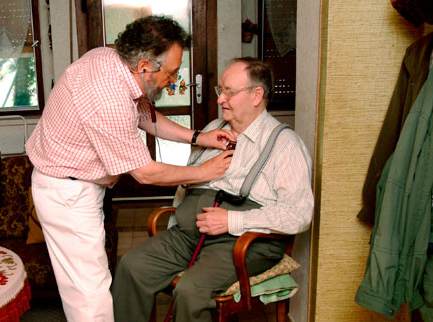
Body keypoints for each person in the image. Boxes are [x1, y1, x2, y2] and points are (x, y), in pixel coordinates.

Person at [25, 16, 236, 322]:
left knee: (90, 286)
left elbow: (143, 116)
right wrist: (206, 172)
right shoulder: (107, 96)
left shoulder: (110, 59)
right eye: (173, 73)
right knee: (89, 295)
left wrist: (198, 137)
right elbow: (145, 173)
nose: (175, 81)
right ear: (145, 67)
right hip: (66, 192)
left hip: (73, 182)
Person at [111, 57, 314, 322]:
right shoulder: (213, 130)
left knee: (190, 291)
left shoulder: (285, 145)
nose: (220, 100)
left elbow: (299, 215)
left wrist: (233, 220)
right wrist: (177, 222)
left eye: (230, 92)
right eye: (221, 91)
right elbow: (186, 187)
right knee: (131, 266)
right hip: (189, 234)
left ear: (257, 95)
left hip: (242, 243)